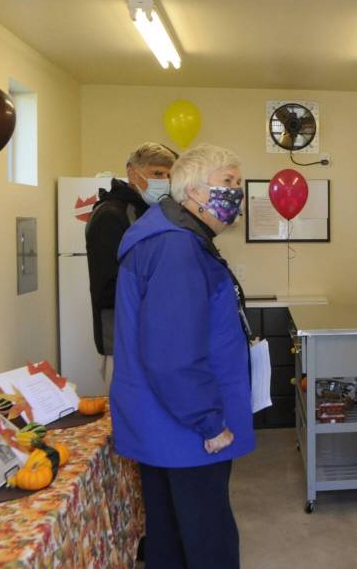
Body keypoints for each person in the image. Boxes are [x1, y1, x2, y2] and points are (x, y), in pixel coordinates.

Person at [110, 144, 252, 569]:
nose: (237, 193)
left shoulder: (171, 237)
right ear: (194, 192)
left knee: (170, 535)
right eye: (228, 183)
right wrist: (209, 422)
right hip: (186, 429)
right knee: (207, 538)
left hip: (163, 422)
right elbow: (172, 354)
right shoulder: (177, 248)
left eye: (238, 183)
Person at [85, 142, 177, 358]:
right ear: (133, 174)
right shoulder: (111, 214)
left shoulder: (148, 210)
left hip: (149, 328)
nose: (164, 181)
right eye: (157, 173)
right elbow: (111, 281)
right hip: (121, 330)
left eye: (167, 175)